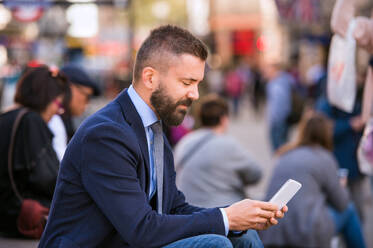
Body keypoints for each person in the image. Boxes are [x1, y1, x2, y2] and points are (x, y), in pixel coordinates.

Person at [39, 25, 287, 248]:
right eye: (187, 82)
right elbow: (140, 229)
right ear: (150, 78)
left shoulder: (153, 127)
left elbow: (174, 208)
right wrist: (226, 218)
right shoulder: (106, 134)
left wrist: (240, 215)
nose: (195, 94)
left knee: (245, 235)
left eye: (198, 83)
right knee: (214, 244)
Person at [259, 111, 366, 248]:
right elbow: (341, 203)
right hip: (306, 233)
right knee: (349, 210)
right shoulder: (324, 157)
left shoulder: (285, 154)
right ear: (326, 134)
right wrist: (341, 186)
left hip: (271, 231)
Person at [0, 65, 70, 237]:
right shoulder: (32, 121)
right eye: (58, 104)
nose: (57, 111)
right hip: (22, 218)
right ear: (47, 97)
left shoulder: (7, 117)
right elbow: (47, 178)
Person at [174, 94, 262, 208]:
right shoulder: (227, 144)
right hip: (221, 210)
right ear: (224, 119)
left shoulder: (185, 142)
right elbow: (256, 174)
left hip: (188, 209)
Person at [48, 64, 100, 161]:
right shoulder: (52, 120)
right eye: (87, 96)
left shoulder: (63, 120)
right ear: (70, 87)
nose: (87, 103)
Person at [262, 63, 294, 152]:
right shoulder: (279, 82)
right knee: (281, 145)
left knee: (279, 147)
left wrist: (275, 119)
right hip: (278, 120)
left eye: (268, 70)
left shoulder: (278, 84)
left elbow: (280, 104)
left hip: (278, 121)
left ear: (274, 70)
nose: (266, 73)